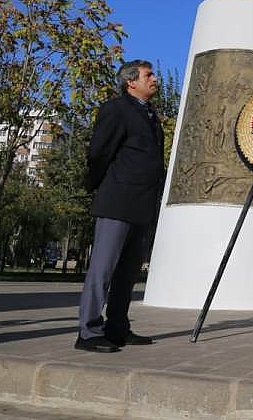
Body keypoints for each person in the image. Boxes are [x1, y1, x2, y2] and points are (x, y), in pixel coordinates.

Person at [76, 60, 165, 353]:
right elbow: (98, 153)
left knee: (127, 273)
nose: (154, 78)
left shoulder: (150, 114)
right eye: (148, 75)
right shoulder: (116, 109)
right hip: (117, 201)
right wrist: (99, 186)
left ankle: (117, 329)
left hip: (143, 204)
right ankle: (88, 332)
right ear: (131, 82)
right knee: (102, 270)